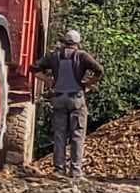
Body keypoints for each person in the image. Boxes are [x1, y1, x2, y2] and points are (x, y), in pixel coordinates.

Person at [37, 28, 104, 181]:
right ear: (77, 43)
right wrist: (88, 83)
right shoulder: (82, 56)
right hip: (76, 100)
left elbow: (34, 69)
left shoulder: (54, 56)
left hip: (59, 99)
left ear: (64, 42)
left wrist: (48, 81)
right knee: (77, 136)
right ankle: (75, 171)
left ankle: (59, 170)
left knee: (59, 135)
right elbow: (100, 71)